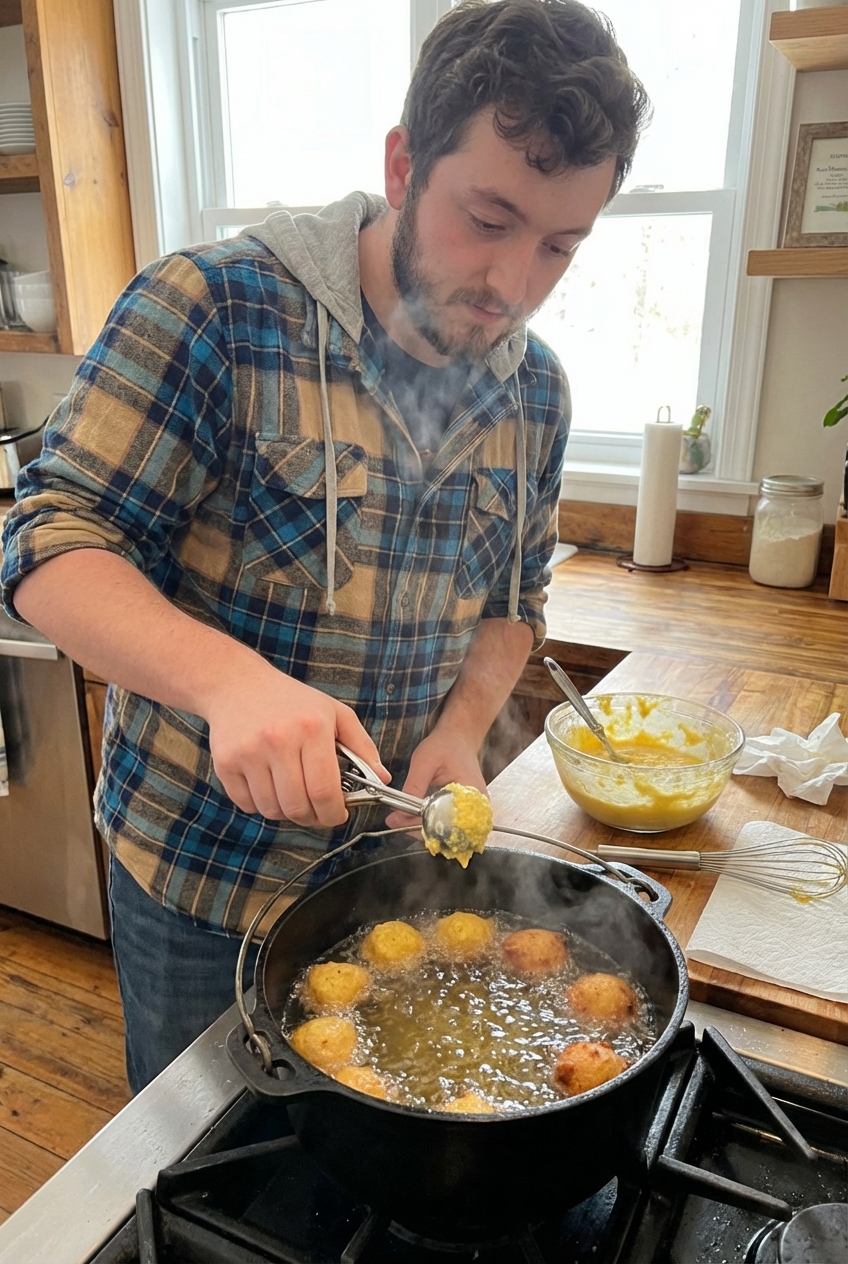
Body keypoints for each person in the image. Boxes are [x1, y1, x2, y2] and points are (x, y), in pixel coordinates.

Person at [0, 0, 648, 1091]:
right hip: (205, 881)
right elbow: (46, 541)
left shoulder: (534, 388)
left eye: (558, 245)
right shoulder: (215, 307)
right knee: (212, 1178)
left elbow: (513, 601)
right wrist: (229, 682)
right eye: (485, 219)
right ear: (402, 165)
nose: (511, 285)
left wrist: (460, 727)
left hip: (402, 875)